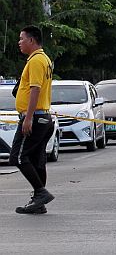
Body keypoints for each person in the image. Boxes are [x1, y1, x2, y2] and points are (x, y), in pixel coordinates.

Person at [9, 25, 55, 215]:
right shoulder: (43, 59)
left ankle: (41, 193)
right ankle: (39, 201)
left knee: (18, 156)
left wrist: (28, 118)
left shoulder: (36, 60)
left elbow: (35, 89)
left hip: (35, 118)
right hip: (43, 117)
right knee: (37, 160)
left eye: (21, 39)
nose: (19, 42)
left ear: (31, 40)